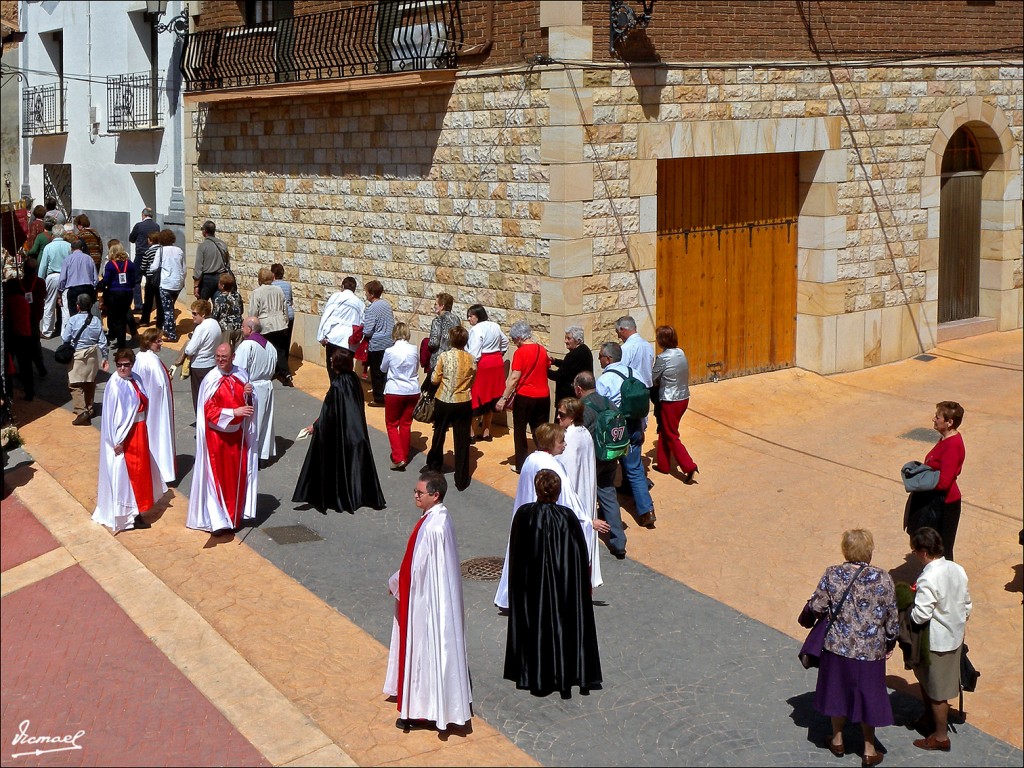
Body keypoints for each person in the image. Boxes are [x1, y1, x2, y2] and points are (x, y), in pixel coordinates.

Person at [383, 471, 472, 732]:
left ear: (435, 495)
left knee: (424, 652)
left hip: (427, 602)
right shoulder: (438, 519)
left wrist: (395, 582)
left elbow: (417, 567)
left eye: (420, 492)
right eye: (415, 491)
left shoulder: (434, 526)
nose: (415, 495)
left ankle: (422, 711)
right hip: (433, 597)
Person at [504, 469, 603, 699]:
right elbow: (579, 556)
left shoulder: (524, 515)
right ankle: (564, 674)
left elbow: (517, 554)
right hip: (562, 587)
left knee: (535, 627)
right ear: (558, 492)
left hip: (532, 588)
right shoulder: (567, 517)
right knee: (561, 625)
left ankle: (535, 674)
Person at [804, 529, 897, 767]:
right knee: (869, 695)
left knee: (837, 691)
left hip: (837, 647)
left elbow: (817, 606)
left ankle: (837, 739)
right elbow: (892, 617)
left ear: (846, 550)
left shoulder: (832, 574)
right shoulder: (883, 578)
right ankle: (868, 748)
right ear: (869, 551)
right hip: (870, 650)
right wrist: (890, 640)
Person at [494, 422, 597, 610]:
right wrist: (588, 521)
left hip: (527, 520)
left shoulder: (531, 459)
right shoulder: (551, 466)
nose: (564, 444)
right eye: (561, 441)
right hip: (545, 523)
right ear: (550, 442)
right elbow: (568, 499)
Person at [293, 347, 386, 513]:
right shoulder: (354, 379)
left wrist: (316, 426)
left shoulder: (337, 384)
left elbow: (330, 412)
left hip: (344, 434)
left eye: (332, 360)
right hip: (357, 432)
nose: (329, 361)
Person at [909, 526, 972, 753]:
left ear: (924, 552)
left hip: (936, 643)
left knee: (937, 692)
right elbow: (967, 604)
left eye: (915, 550)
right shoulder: (957, 568)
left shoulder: (928, 577)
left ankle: (940, 736)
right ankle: (930, 721)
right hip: (954, 637)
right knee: (930, 683)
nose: (915, 555)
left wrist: (909, 609)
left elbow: (921, 615)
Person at [92, 348, 167, 533]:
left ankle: (138, 509)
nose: (123, 368)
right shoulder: (114, 384)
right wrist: (117, 440)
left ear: (132, 365)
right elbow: (112, 416)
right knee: (127, 475)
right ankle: (128, 514)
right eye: (119, 365)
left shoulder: (135, 379)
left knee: (141, 472)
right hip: (127, 437)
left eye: (126, 365)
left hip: (140, 432)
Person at [187, 343, 259, 533]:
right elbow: (208, 410)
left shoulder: (242, 375)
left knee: (236, 476)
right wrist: (234, 412)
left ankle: (233, 517)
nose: (220, 360)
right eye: (217, 356)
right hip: (217, 439)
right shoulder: (211, 379)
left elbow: (249, 404)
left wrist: (250, 396)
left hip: (236, 437)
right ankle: (217, 520)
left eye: (224, 357)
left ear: (233, 357)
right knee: (216, 479)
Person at [597, 341, 656, 528]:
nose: (599, 359)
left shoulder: (605, 380)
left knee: (607, 468)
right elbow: (643, 403)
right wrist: (642, 427)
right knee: (635, 467)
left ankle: (604, 509)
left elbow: (600, 410)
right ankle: (647, 511)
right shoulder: (634, 373)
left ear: (607, 358)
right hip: (635, 425)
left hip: (616, 429)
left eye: (600, 356)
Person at [574, 371, 627, 559]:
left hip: (592, 460)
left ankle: (581, 533)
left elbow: (578, 436)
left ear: (579, 389)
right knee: (608, 494)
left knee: (580, 495)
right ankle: (618, 542)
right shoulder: (607, 402)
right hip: (610, 456)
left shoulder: (581, 408)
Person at [906, 402, 966, 562]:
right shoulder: (945, 439)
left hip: (945, 505)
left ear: (949, 422)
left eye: (938, 417)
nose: (934, 419)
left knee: (942, 550)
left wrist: (920, 481)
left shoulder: (952, 445)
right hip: (938, 502)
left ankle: (943, 584)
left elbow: (944, 482)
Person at [556, 397, 604, 587]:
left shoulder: (570, 438)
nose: (558, 418)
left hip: (574, 498)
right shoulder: (584, 433)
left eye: (562, 415)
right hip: (584, 495)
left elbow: (564, 471)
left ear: (573, 416)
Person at [424, 325, 476, 492]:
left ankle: (434, 466)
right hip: (463, 402)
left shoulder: (444, 356)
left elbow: (434, 379)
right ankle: (461, 479)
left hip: (444, 399)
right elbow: (473, 379)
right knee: (462, 440)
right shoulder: (471, 359)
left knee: (439, 434)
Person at [496, 321, 551, 474]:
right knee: (540, 430)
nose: (514, 343)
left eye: (514, 340)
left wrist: (503, 398)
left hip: (525, 396)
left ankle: (521, 464)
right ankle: (545, 461)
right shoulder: (542, 349)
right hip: (543, 396)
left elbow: (514, 378)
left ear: (519, 338)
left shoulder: (520, 353)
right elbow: (547, 365)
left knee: (520, 431)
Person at [651, 324, 698, 484]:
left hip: (670, 400)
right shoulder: (681, 352)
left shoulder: (662, 358)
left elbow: (653, 378)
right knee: (665, 430)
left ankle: (689, 466)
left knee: (671, 434)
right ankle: (663, 464)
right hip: (684, 398)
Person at [134, 328, 176, 484]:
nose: (161, 343)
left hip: (151, 407)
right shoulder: (148, 361)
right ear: (149, 342)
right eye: (158, 341)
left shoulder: (144, 358)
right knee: (156, 438)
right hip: (154, 410)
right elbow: (152, 386)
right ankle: (160, 472)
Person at [2, 258, 47, 402]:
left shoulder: (12, 299)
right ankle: (31, 388)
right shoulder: (37, 285)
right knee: (30, 357)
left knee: (9, 365)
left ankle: (8, 393)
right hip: (29, 327)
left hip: (14, 334)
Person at [233, 316, 277, 462]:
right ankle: (262, 455)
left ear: (250, 329)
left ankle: (250, 456)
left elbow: (239, 370)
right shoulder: (270, 346)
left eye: (243, 326)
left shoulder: (247, 346)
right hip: (267, 387)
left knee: (252, 424)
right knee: (264, 422)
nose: (241, 328)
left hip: (252, 388)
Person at [62, 294, 108, 426]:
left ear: (77, 306)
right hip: (92, 355)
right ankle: (89, 408)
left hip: (77, 355)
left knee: (75, 384)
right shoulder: (96, 321)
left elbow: (65, 338)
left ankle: (81, 411)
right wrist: (105, 357)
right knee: (89, 382)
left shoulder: (73, 320)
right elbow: (103, 342)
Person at [380, 322, 420, 471]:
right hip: (412, 389)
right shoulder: (414, 349)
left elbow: (383, 368)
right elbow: (416, 368)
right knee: (406, 424)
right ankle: (405, 455)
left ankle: (398, 457)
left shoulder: (390, 351)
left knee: (391, 424)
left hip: (395, 390)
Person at [466, 303, 507, 442]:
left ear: (477, 316)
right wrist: (498, 354)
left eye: (470, 316)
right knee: (491, 397)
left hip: (483, 364)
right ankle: (486, 432)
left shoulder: (476, 330)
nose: (469, 319)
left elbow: (474, 353)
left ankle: (471, 433)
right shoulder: (495, 326)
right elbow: (505, 342)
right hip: (496, 363)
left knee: (476, 397)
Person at [249, 267, 292, 385]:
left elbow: (253, 311)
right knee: (281, 351)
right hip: (280, 323)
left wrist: (251, 326)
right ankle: (286, 373)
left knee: (266, 350)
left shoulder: (257, 292)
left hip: (265, 325)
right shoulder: (278, 290)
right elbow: (285, 308)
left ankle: (268, 372)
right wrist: (286, 322)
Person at [317, 276, 364, 380]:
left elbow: (326, 316)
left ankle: (335, 391)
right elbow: (361, 324)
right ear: (354, 289)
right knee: (347, 371)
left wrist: (321, 337)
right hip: (348, 343)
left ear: (342, 286)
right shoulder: (360, 303)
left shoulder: (335, 296)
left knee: (332, 369)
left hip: (333, 339)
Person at [182, 299, 222, 413]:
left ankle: (202, 422)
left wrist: (188, 344)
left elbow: (190, 350)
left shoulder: (201, 328)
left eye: (195, 313)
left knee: (199, 397)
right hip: (212, 364)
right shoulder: (215, 324)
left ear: (203, 314)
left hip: (199, 366)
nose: (192, 316)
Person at [362, 279, 396, 404]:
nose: (365, 294)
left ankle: (379, 398)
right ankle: (387, 395)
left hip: (377, 345)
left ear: (371, 294)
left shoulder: (371, 309)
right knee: (386, 372)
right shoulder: (386, 305)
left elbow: (368, 331)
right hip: (389, 342)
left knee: (376, 373)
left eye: (366, 292)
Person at [99, 243, 136, 351]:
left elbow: (106, 280)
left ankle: (120, 344)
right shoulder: (129, 264)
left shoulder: (110, 265)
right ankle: (121, 341)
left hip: (114, 293)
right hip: (127, 293)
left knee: (117, 319)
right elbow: (133, 279)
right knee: (123, 316)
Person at [37, 222, 71, 338]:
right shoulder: (68, 246)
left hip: (52, 276)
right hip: (66, 276)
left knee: (49, 304)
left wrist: (40, 280)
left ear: (53, 234)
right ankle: (65, 332)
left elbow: (43, 266)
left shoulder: (49, 247)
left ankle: (47, 331)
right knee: (65, 306)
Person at [548, 325, 592, 405]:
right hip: (579, 397)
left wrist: (543, 369)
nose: (565, 341)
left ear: (578, 340)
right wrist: (555, 361)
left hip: (569, 400)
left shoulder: (573, 355)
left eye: (568, 338)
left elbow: (559, 376)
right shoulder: (585, 350)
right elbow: (570, 366)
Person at [128, 207, 160, 310]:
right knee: (150, 280)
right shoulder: (156, 226)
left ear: (143, 215)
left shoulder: (139, 225)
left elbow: (131, 239)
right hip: (153, 255)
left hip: (140, 254)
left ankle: (138, 305)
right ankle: (148, 303)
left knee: (136, 280)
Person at [156, 229, 186, 342]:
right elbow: (184, 269)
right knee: (170, 307)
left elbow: (154, 267)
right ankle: (167, 328)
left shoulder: (161, 251)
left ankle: (171, 334)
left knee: (168, 310)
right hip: (177, 283)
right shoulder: (179, 250)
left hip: (166, 284)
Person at [426, 292, 460, 381]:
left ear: (442, 306)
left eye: (436, 304)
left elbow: (434, 342)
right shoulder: (456, 319)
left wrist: (428, 344)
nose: (434, 306)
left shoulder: (437, 320)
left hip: (439, 360)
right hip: (453, 358)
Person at [192, 220, 230, 300]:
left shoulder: (202, 246)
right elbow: (228, 264)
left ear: (204, 231)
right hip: (220, 278)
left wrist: (196, 285)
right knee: (219, 304)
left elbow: (198, 269)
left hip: (207, 279)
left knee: (202, 306)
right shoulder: (222, 244)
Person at [137, 229, 163, 329]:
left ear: (150, 240)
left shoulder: (148, 252)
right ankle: (160, 323)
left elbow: (143, 267)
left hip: (150, 279)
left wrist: (144, 273)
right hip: (160, 279)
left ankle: (145, 320)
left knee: (148, 300)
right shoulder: (162, 250)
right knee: (159, 301)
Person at [211, 270, 244, 347]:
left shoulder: (219, 299)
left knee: (225, 348)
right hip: (238, 325)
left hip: (226, 328)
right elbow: (241, 310)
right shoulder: (237, 296)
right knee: (238, 350)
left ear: (222, 286)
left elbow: (215, 315)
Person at [270, 263, 294, 368]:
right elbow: (291, 301)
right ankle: (285, 365)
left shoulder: (272, 286)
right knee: (286, 342)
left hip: (279, 317)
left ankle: (278, 368)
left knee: (276, 343)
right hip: (290, 315)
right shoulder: (288, 285)